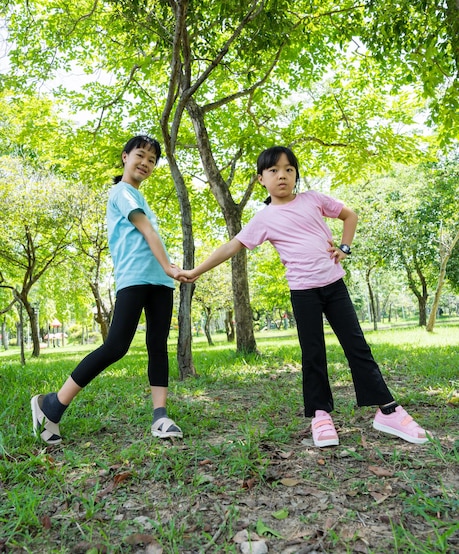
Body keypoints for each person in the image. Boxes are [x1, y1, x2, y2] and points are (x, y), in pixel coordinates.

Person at [177, 146, 429, 447]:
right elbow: (232, 246)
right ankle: (320, 415)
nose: (281, 175)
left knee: (357, 346)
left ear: (296, 174)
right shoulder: (265, 218)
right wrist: (196, 271)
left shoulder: (313, 199)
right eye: (273, 171)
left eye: (288, 169)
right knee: (313, 354)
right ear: (261, 179)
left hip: (335, 286)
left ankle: (387, 410)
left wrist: (344, 248)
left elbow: (350, 215)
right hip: (303, 292)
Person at [32, 135, 183, 444]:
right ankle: (51, 404)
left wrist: (167, 271)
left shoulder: (139, 197)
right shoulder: (122, 192)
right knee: (116, 346)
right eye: (140, 155)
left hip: (160, 281)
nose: (146, 163)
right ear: (125, 157)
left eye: (152, 160)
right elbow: (146, 230)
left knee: (158, 345)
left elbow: (149, 233)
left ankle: (160, 416)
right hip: (135, 278)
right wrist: (171, 265)